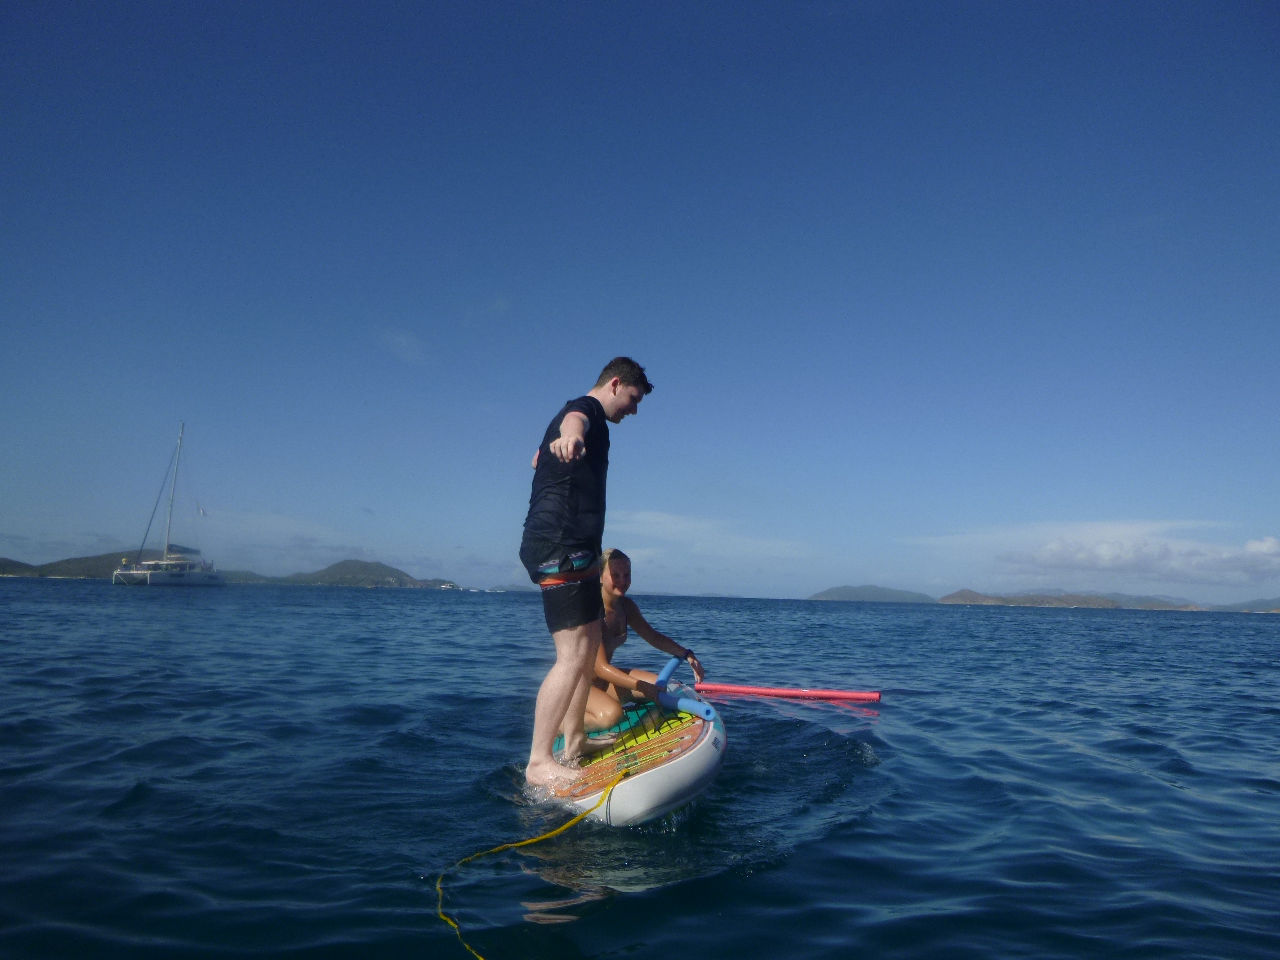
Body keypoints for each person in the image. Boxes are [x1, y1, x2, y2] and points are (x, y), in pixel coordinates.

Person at [519, 357, 653, 788]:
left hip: (580, 550)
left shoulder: (593, 426)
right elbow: (574, 419)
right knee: (573, 655)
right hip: (559, 548)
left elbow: (543, 455)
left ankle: (574, 741)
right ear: (614, 384)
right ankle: (539, 761)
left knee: (590, 641)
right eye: (632, 398)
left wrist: (549, 452)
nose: (634, 410)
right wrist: (570, 436)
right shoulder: (585, 410)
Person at [582, 548, 705, 732]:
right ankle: (563, 723)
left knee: (660, 687)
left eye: (626, 575)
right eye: (615, 575)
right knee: (613, 715)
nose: (622, 581)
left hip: (604, 683)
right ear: (600, 576)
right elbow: (600, 667)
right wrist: (640, 686)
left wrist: (686, 654)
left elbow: (652, 636)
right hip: (580, 688)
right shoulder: (591, 611)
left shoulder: (626, 606)